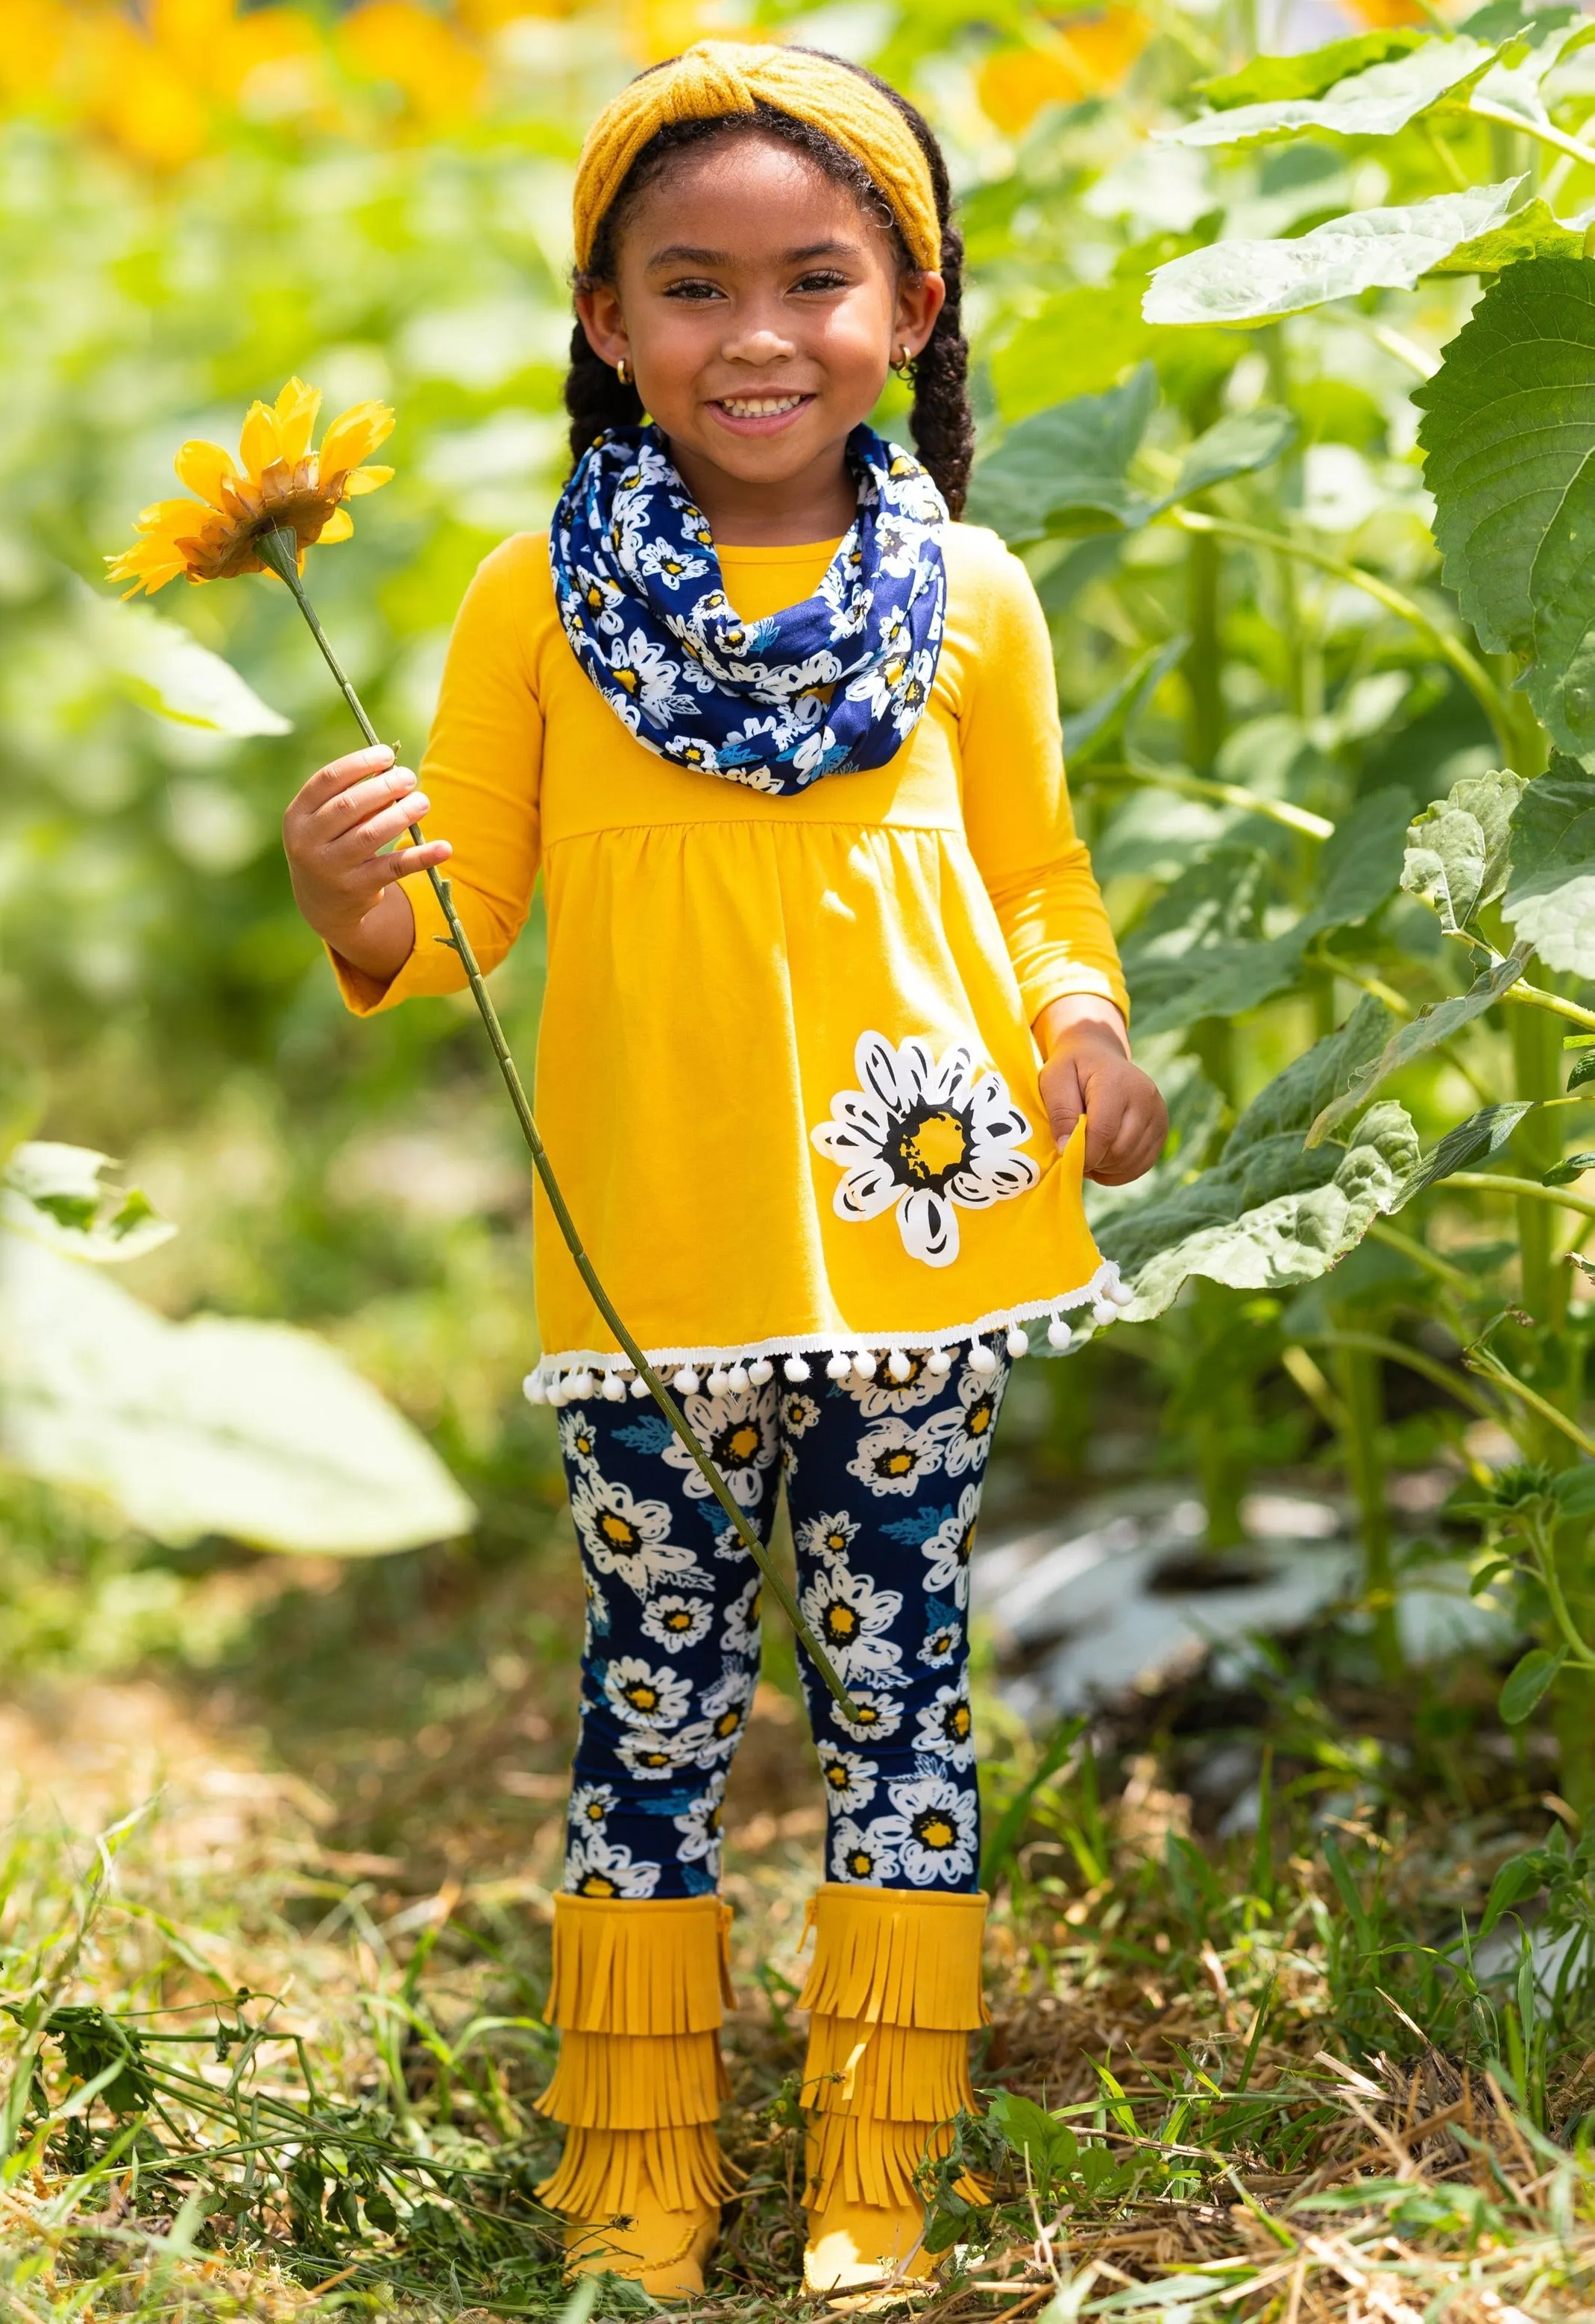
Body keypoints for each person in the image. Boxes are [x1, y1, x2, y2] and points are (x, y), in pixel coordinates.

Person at [281, 38, 1168, 2306]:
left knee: (899, 1697)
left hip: (923, 1240)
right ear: (605, 323)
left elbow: (1036, 872)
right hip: (655, 1263)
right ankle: (636, 2177)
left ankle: (880, 2172)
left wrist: (1083, 1017)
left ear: (914, 305)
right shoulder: (535, 601)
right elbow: (461, 917)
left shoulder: (970, 595)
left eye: (814, 279)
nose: (756, 334)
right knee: (654, 1697)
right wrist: (357, 898)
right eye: (691, 286)